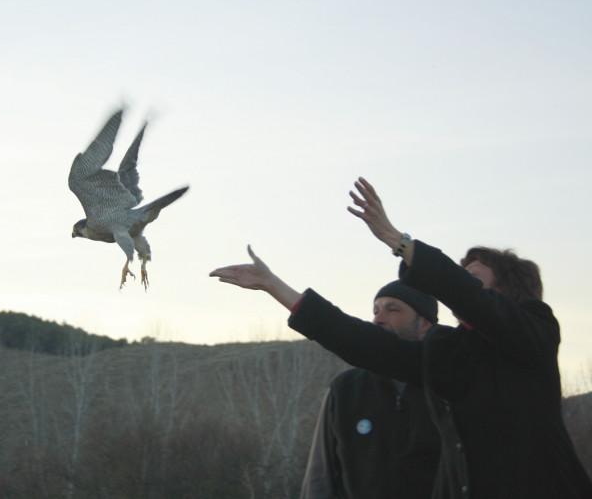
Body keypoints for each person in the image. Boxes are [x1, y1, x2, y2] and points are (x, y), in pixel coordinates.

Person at [210, 177, 592, 499]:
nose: (459, 284)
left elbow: (475, 301)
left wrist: (398, 240)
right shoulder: (450, 352)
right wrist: (276, 287)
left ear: (503, 291)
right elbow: (363, 343)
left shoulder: (535, 332)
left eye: (472, 276)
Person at [301, 281, 441, 499]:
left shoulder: (449, 388)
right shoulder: (345, 389)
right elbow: (321, 474)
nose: (378, 319)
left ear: (425, 324)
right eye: (376, 311)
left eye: (392, 309)